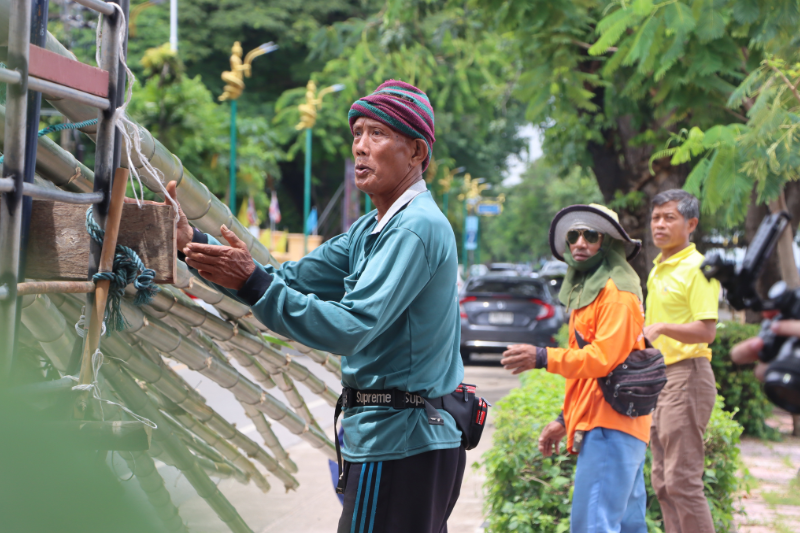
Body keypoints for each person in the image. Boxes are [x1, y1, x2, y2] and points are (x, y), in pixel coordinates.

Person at [175, 80, 465, 533]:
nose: (361, 148)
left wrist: (252, 283)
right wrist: (191, 243)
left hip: (400, 444)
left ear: (416, 152)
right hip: (391, 440)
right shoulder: (371, 228)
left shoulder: (414, 228)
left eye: (377, 134)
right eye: (358, 133)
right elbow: (287, 278)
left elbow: (352, 325)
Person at [501, 204, 649, 533]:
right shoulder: (593, 293)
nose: (579, 243)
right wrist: (564, 419)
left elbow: (601, 360)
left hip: (611, 428)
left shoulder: (615, 295)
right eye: (573, 235)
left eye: (591, 235)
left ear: (608, 243)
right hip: (609, 424)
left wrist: (542, 357)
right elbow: (592, 373)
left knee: (593, 527)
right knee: (627, 527)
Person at [643, 190, 720, 533]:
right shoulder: (658, 266)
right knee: (662, 481)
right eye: (656, 217)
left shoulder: (699, 268)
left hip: (687, 377)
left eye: (668, 217)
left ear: (691, 224)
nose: (659, 224)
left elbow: (706, 331)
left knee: (683, 482)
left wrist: (661, 327)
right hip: (661, 379)